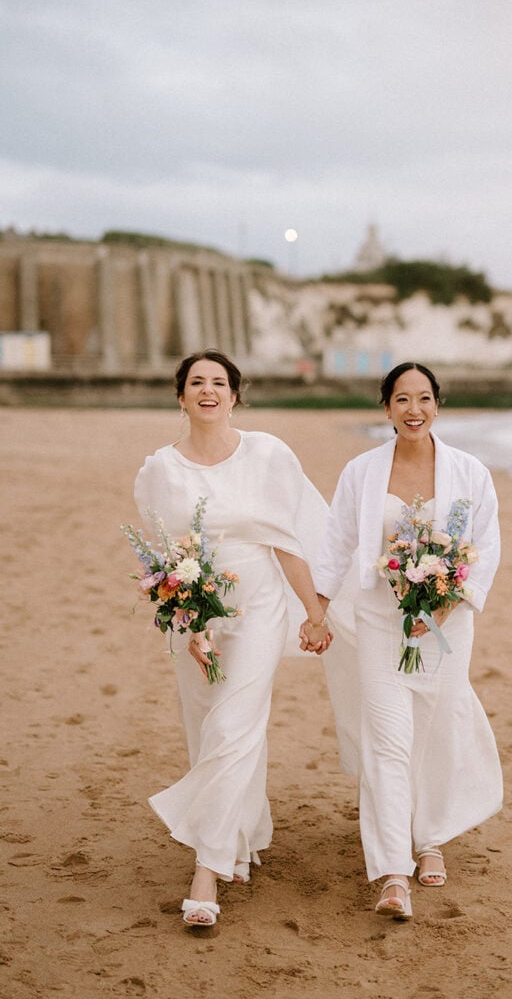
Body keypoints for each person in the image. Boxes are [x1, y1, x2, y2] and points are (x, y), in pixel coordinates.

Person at [133, 349, 333, 928]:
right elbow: (164, 558)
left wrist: (313, 612)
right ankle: (240, 839)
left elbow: (287, 540)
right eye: (196, 382)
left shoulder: (268, 454)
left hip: (261, 606)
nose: (208, 390)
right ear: (180, 396)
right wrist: (191, 623)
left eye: (219, 382)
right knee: (208, 728)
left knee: (235, 725)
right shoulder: (159, 470)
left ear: (236, 395)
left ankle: (207, 869)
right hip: (195, 613)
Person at [313, 361, 503, 921]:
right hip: (377, 620)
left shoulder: (470, 473)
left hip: (447, 627)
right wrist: (317, 609)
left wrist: (444, 604)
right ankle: (394, 872)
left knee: (437, 727)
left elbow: (484, 548)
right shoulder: (362, 471)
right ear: (387, 407)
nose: (413, 409)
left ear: (437, 405)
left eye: (423, 398)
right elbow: (338, 542)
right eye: (402, 399)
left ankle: (431, 836)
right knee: (387, 738)